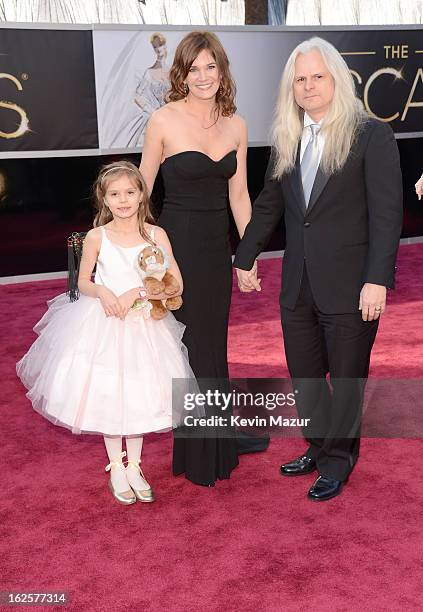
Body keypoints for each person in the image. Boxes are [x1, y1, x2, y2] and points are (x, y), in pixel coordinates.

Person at [235, 37, 403, 501]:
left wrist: (377, 280)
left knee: (347, 379)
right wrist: (245, 255)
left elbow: (387, 214)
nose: (308, 86)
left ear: (336, 80)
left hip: (352, 286)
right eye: (300, 79)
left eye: (317, 77)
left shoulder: (371, 134)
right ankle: (318, 444)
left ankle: (337, 461)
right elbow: (270, 204)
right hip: (298, 284)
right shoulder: (288, 136)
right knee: (306, 376)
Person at [16, 161, 196, 505]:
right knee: (109, 394)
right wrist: (104, 292)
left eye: (130, 192)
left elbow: (176, 282)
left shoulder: (156, 235)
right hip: (105, 322)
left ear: (142, 195)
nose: (123, 200)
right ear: (104, 199)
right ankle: (116, 465)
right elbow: (83, 281)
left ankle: (136, 466)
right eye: (115, 194)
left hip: (145, 326)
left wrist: (137, 293)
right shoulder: (97, 236)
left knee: (142, 392)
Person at [140, 31, 262, 486]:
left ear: (222, 70)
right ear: (182, 73)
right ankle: (201, 448)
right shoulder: (163, 120)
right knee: (188, 348)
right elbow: (143, 192)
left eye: (211, 67)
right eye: (194, 69)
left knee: (213, 345)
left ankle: (218, 437)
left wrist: (247, 255)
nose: (204, 76)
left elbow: (240, 197)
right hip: (177, 250)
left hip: (217, 250)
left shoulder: (237, 125)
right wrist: (142, 254)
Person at [129, 32, 170, 147]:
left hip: (172, 118)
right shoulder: (149, 72)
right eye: (155, 46)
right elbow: (136, 96)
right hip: (156, 120)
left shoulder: (172, 72)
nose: (158, 49)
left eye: (160, 45)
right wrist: (152, 111)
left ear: (165, 46)